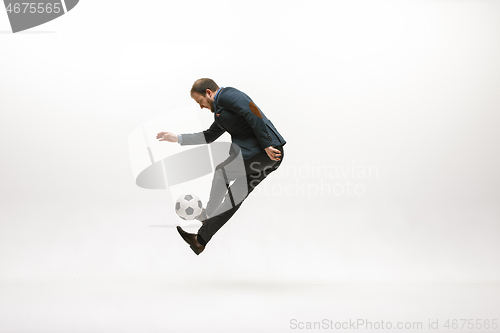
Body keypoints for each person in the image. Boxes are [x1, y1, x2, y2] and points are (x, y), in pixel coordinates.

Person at [156, 78, 286, 255]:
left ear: (209, 92)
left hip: (266, 152)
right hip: (265, 156)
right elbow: (209, 136)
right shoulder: (221, 114)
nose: (201, 107)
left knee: (221, 172)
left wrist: (266, 144)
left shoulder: (228, 95)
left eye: (200, 101)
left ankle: (208, 214)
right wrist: (178, 138)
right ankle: (200, 240)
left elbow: (252, 111)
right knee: (234, 198)